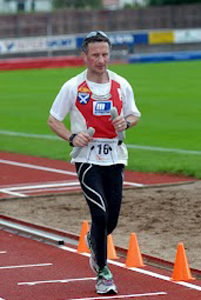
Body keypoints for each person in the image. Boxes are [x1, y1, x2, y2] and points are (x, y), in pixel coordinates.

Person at [47, 30, 141, 295]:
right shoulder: (73, 86)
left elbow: (134, 115)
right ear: (85, 56)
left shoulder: (122, 84)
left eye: (105, 54)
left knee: (111, 219)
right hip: (87, 159)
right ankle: (103, 273)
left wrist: (127, 122)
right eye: (96, 55)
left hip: (116, 156)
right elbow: (53, 119)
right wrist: (71, 136)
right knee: (98, 214)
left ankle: (94, 241)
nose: (101, 60)